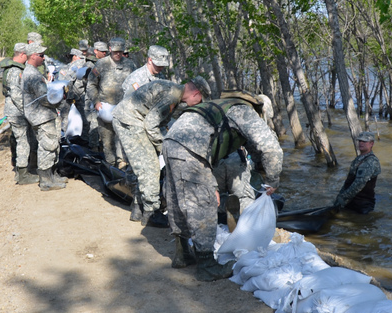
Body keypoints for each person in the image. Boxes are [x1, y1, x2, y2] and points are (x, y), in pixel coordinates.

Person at [162, 95, 283, 280]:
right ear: (260, 110)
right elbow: (271, 148)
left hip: (171, 141)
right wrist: (273, 180)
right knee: (203, 203)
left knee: (178, 198)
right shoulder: (245, 112)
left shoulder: (225, 106)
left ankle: (182, 253)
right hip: (191, 148)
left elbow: (246, 146)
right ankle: (206, 265)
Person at [113, 77, 210, 226]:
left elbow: (160, 121)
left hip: (130, 119)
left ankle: (138, 208)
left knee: (140, 166)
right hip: (130, 121)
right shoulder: (172, 95)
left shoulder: (175, 93)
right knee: (150, 166)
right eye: (200, 100)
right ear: (196, 93)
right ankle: (151, 212)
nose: (198, 104)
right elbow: (151, 125)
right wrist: (163, 148)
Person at [22, 43, 66, 190]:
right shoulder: (33, 75)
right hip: (41, 116)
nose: (43, 58)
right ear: (33, 55)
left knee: (52, 144)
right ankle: (46, 181)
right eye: (41, 55)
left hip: (43, 115)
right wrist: (61, 98)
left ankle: (51, 175)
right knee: (48, 146)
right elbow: (45, 99)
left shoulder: (32, 72)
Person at [86, 37, 136, 166]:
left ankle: (122, 166)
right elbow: (91, 84)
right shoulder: (101, 64)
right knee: (107, 141)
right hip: (105, 108)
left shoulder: (130, 65)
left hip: (124, 109)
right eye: (115, 52)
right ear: (109, 50)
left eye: (120, 51)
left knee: (123, 139)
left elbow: (136, 85)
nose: (118, 54)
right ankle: (111, 167)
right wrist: (96, 102)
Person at [1, 43, 37, 185]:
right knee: (23, 142)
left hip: (14, 111)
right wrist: (28, 110)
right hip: (17, 112)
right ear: (21, 55)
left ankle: (22, 170)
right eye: (26, 56)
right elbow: (17, 95)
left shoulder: (11, 69)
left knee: (21, 140)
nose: (28, 59)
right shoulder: (15, 71)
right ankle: (23, 175)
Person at [333, 131, 381, 213]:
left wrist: (343, 197)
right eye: (360, 141)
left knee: (360, 224)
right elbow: (349, 181)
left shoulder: (371, 162)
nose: (361, 143)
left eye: (364, 141)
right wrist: (340, 197)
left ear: (371, 144)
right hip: (351, 202)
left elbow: (358, 184)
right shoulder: (359, 159)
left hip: (362, 205)